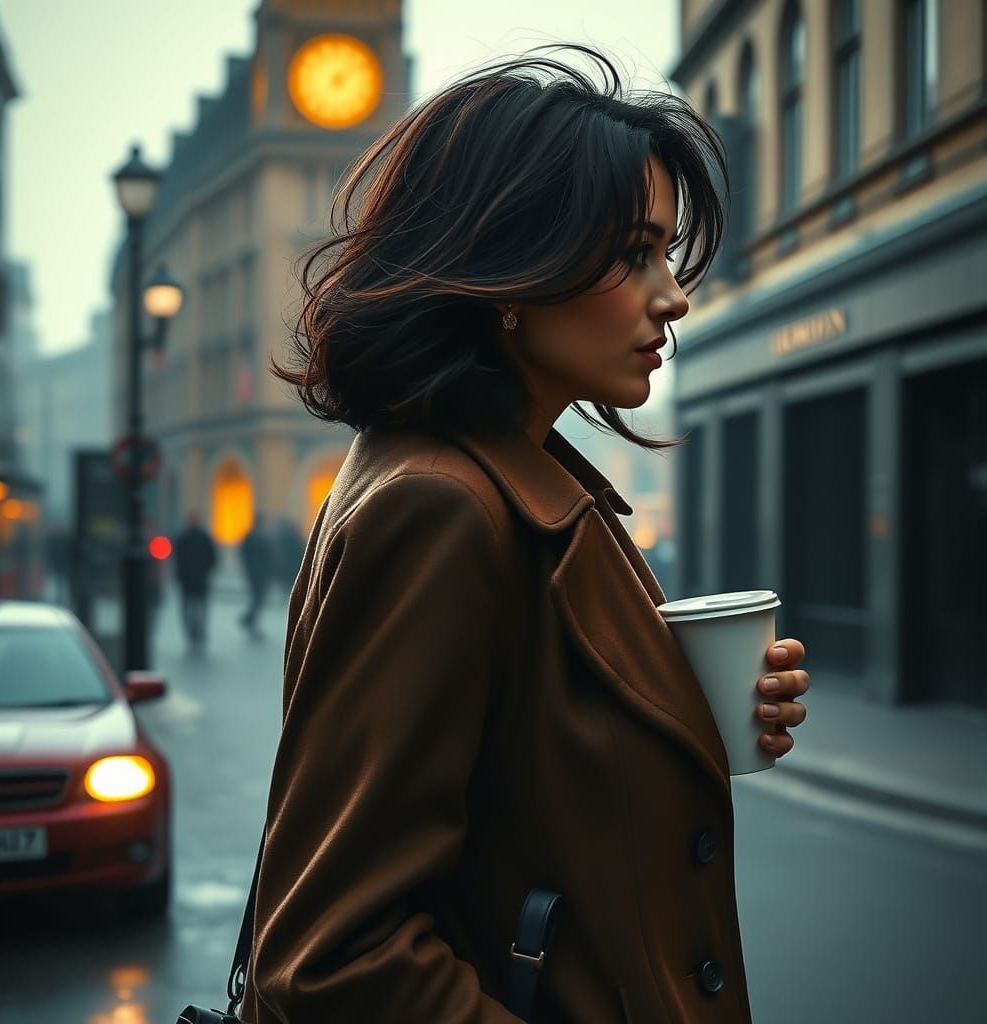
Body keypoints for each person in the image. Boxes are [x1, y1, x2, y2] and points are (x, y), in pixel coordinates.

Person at [240, 44, 809, 1024]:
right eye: (634, 252)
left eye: (665, 254)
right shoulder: (443, 506)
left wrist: (680, 712)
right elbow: (336, 958)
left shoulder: (503, 482)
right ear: (510, 266)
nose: (670, 296)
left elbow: (521, 788)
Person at [173, 512, 216, 652]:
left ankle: (193, 634)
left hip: (189, 580)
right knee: (199, 608)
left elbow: (177, 560)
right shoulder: (203, 538)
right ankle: (198, 633)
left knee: (190, 608)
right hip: (199, 579)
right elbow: (212, 558)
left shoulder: (183, 538)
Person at [239, 514, 272, 639]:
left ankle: (250, 620)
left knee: (257, 598)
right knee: (258, 598)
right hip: (259, 573)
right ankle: (248, 619)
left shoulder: (250, 536)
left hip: (254, 572)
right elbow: (266, 555)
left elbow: (243, 554)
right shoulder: (259, 537)